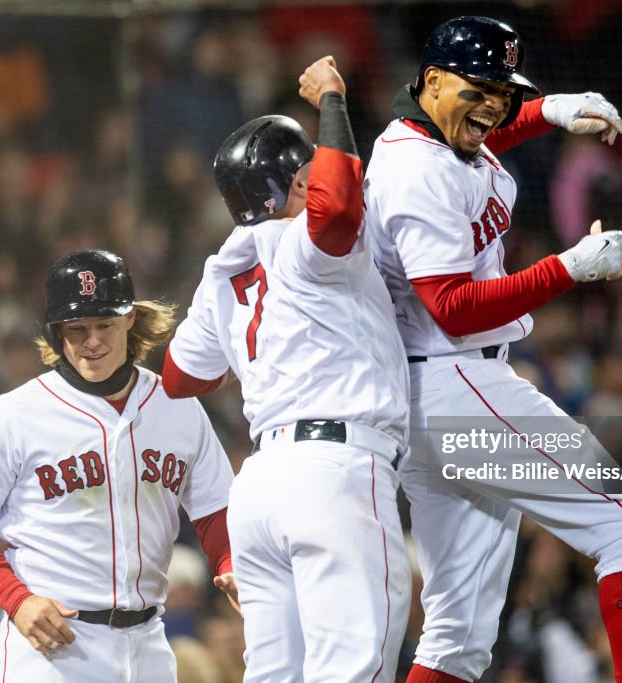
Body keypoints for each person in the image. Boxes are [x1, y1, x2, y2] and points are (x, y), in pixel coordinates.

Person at [363, 16, 622, 683]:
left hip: (427, 392)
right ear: (434, 79)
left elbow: (480, 131)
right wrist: (569, 268)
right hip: (454, 381)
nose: (495, 104)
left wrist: (547, 112)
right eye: (483, 86)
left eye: (504, 90)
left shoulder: (427, 132)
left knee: (457, 639)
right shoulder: (416, 171)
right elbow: (453, 305)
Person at [163, 56, 412, 682]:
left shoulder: (222, 268)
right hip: (336, 471)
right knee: (353, 670)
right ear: (299, 183)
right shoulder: (311, 242)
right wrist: (332, 101)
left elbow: (179, 378)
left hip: (261, 488)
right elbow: (336, 215)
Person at [0, 248, 236, 682]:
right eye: (77, 329)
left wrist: (229, 565)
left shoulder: (177, 406)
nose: (92, 341)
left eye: (104, 325)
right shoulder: (14, 415)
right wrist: (16, 600)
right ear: (56, 331)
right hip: (55, 646)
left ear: (130, 318)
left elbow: (214, 510)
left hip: (151, 639)